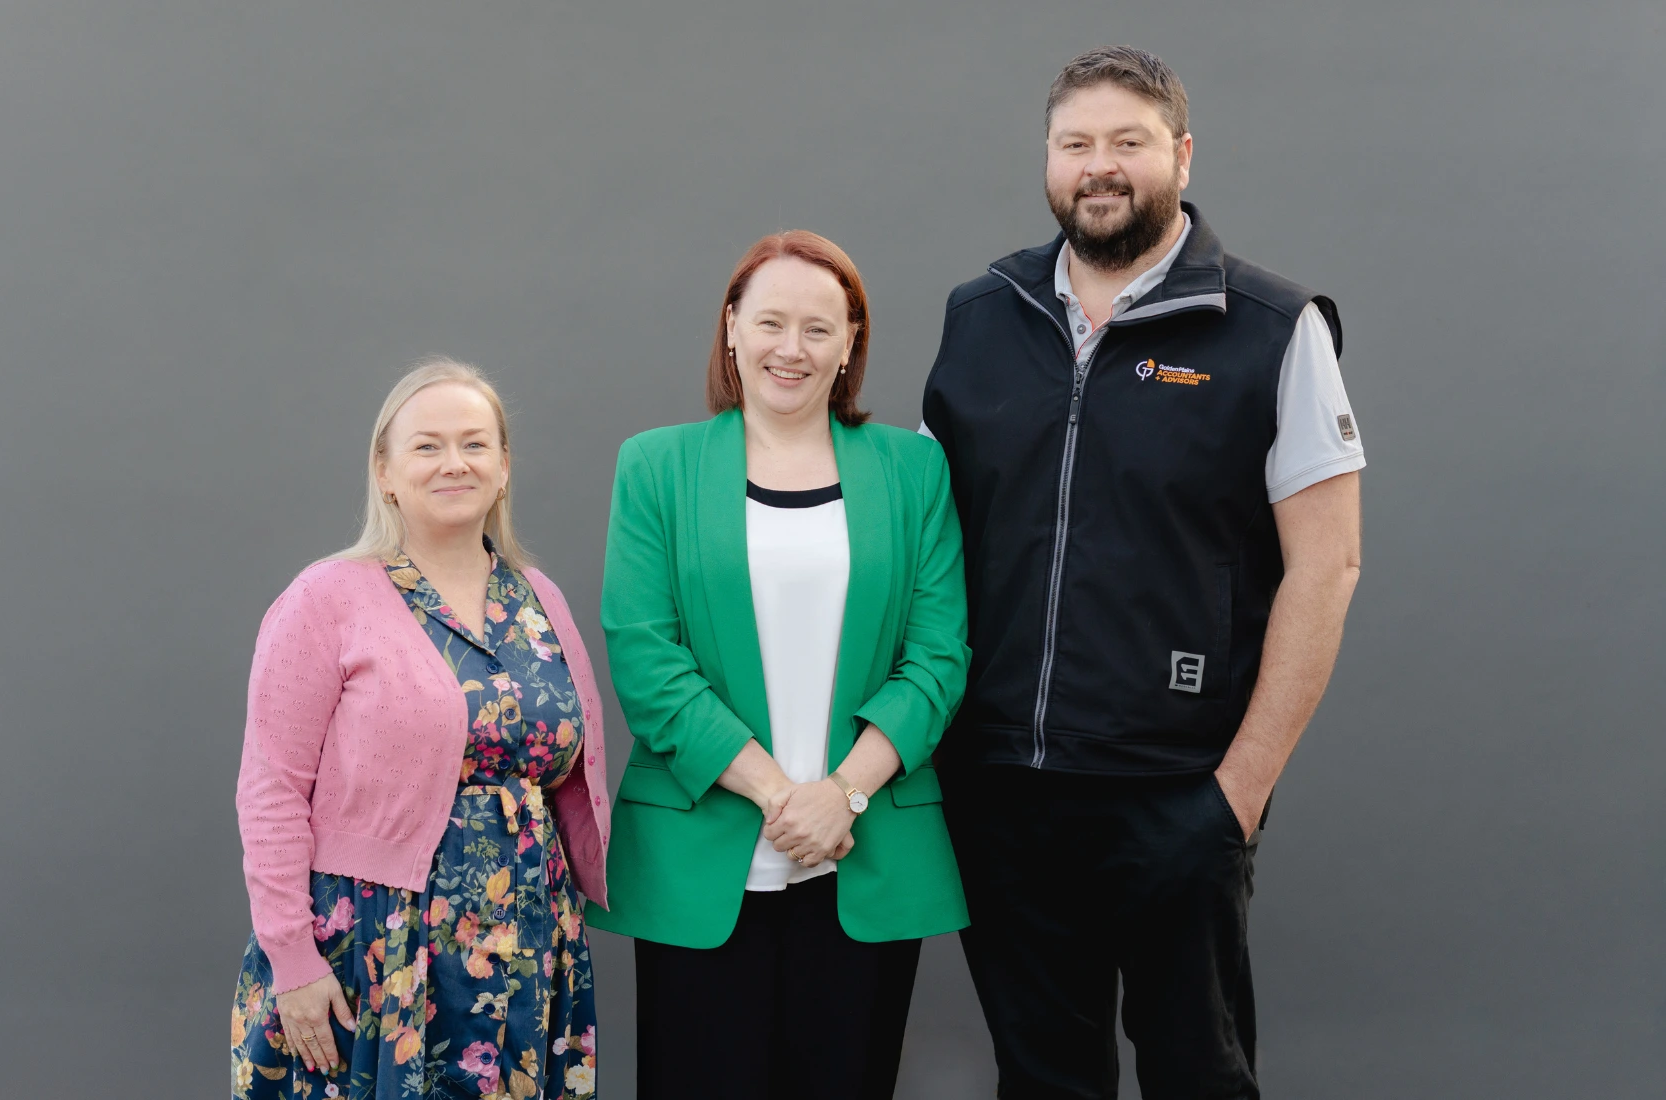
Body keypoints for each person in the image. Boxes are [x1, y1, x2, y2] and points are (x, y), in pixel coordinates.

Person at [920, 46, 1366, 1099]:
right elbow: (933, 546)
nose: (1098, 165)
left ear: (1180, 154)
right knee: (1040, 1079)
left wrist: (1235, 793)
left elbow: (1328, 563)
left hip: (1177, 793)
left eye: (1127, 141)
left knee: (1196, 1076)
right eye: (1075, 143)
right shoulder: (980, 316)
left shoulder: (1269, 328)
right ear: (1047, 159)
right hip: (1003, 792)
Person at [586, 230, 970, 1099]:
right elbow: (648, 661)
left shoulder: (914, 471)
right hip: (703, 859)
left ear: (850, 346)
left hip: (862, 854)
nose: (790, 349)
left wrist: (842, 795)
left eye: (818, 329)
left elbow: (938, 657)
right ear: (730, 329)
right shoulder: (657, 466)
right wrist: (778, 797)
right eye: (769, 322)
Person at [230, 358, 610, 1099]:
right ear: (386, 471)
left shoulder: (539, 599)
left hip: (527, 938)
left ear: (503, 468)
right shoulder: (327, 598)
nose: (454, 463)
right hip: (375, 944)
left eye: (474, 444)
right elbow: (271, 789)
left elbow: (566, 770)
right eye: (427, 446)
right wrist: (292, 957)